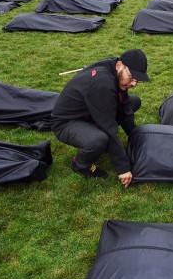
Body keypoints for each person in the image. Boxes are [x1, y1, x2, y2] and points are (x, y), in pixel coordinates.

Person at [51, 49, 150, 187]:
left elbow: (124, 105)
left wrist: (135, 135)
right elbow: (108, 128)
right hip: (66, 123)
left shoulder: (114, 68)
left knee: (134, 101)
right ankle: (80, 164)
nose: (134, 84)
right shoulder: (102, 84)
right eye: (132, 77)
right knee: (99, 139)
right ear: (120, 65)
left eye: (137, 80)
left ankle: (94, 134)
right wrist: (123, 168)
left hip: (89, 112)